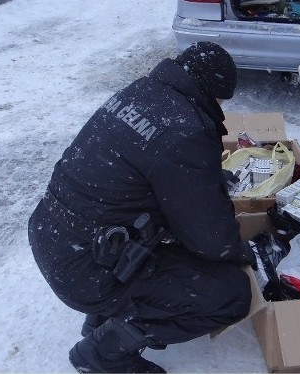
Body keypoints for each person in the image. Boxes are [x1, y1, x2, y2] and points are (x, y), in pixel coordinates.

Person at [27, 42, 255, 373]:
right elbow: (213, 241)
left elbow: (140, 163)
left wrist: (204, 178)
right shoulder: (186, 130)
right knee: (230, 293)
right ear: (212, 91)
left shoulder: (142, 92)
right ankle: (103, 353)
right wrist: (248, 257)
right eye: (221, 100)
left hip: (56, 237)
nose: (220, 107)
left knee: (167, 238)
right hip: (88, 267)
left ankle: (103, 317)